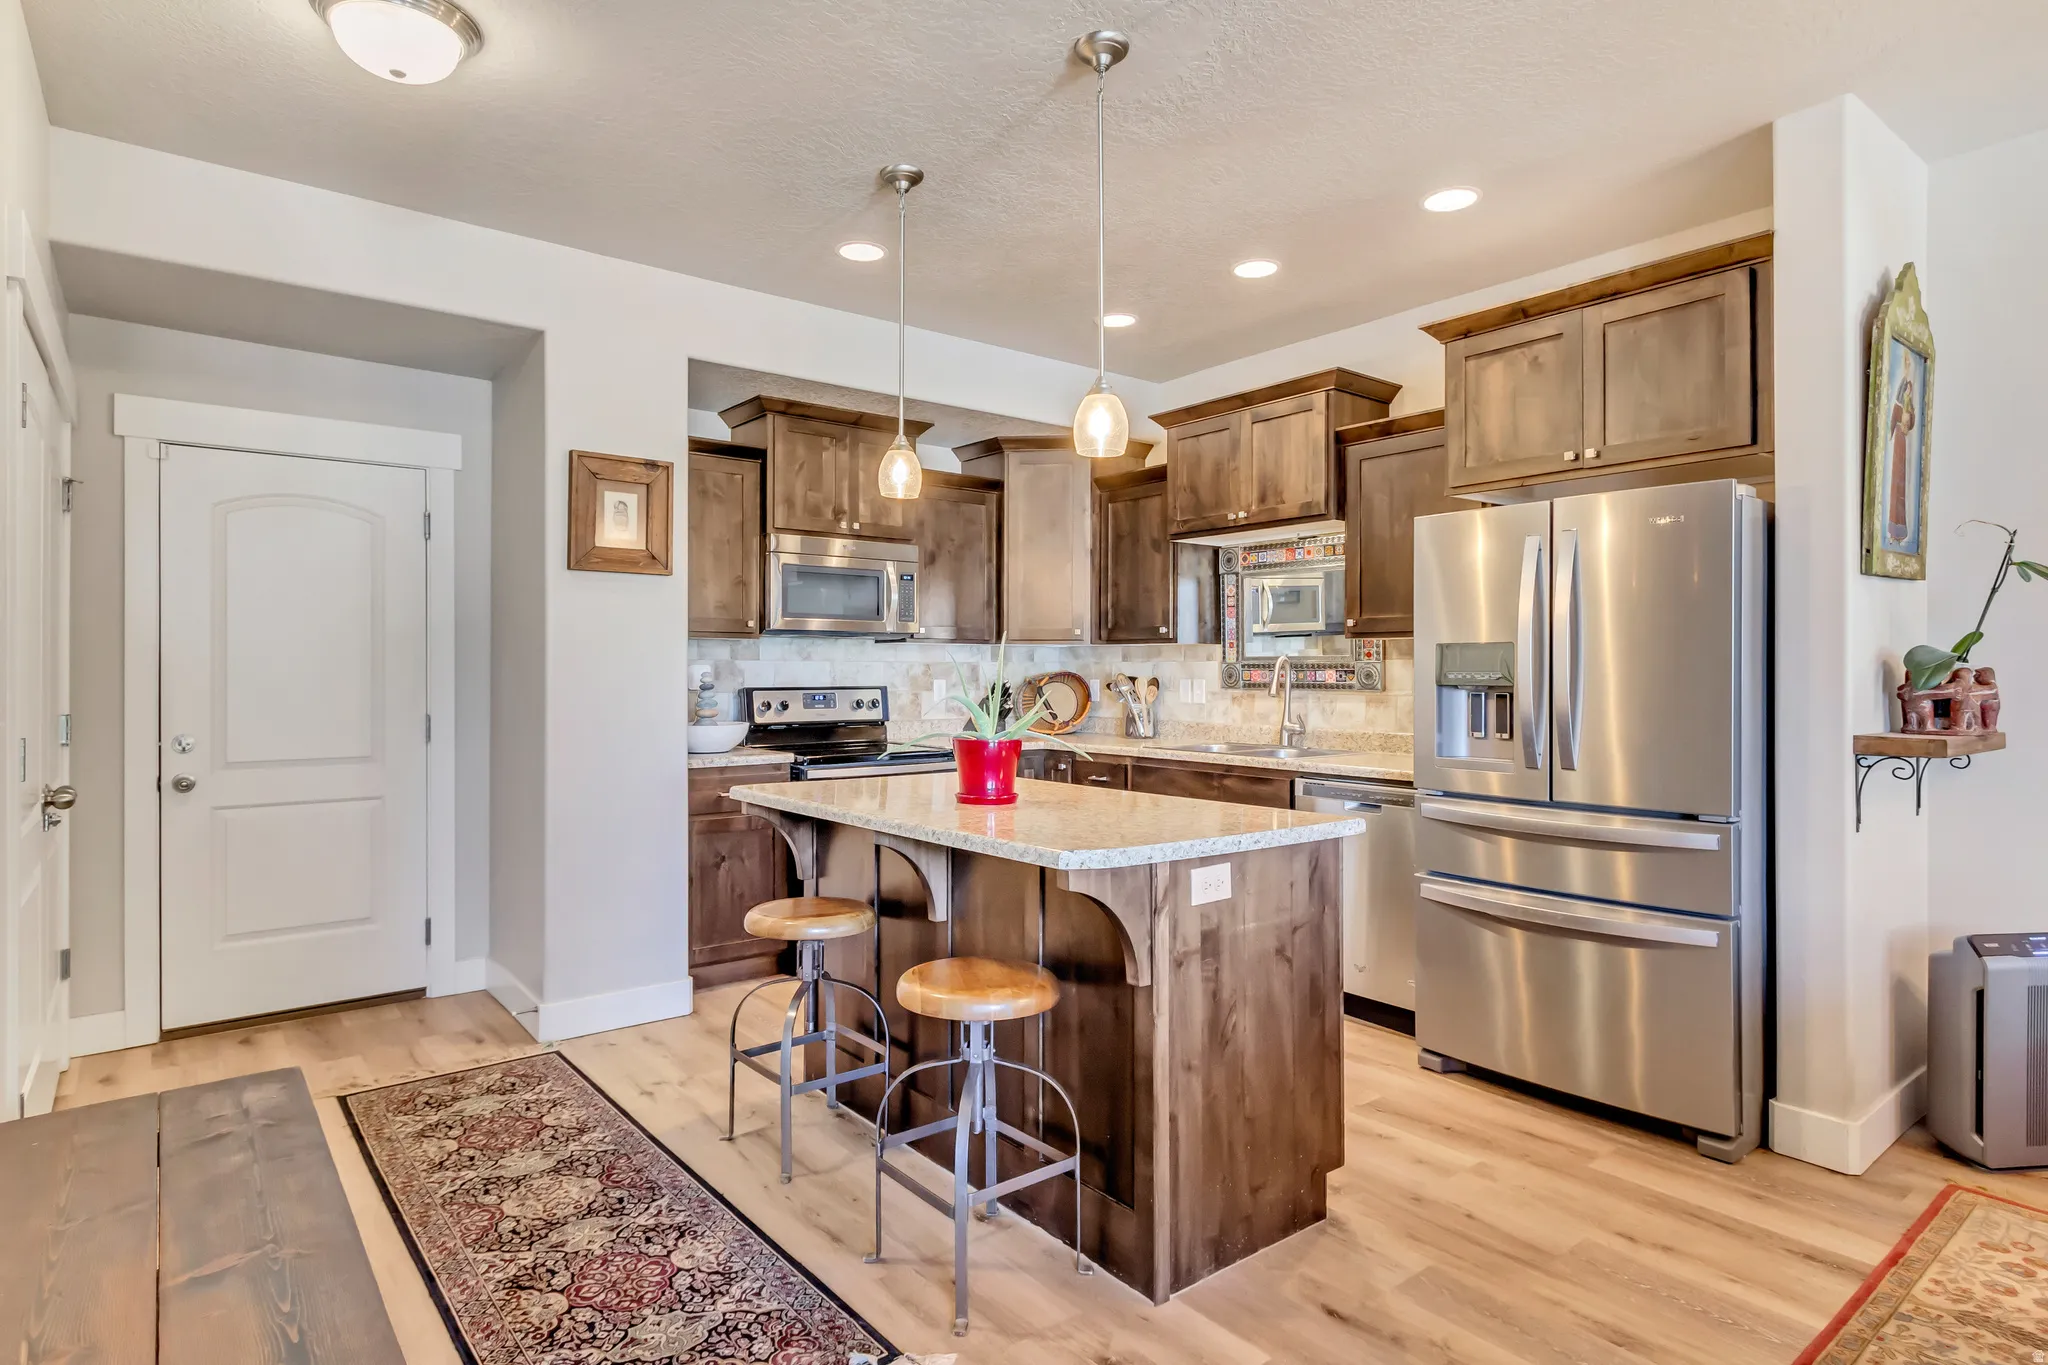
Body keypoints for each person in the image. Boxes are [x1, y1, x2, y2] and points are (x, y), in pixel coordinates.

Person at [1887, 369, 1917, 545]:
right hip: (1898, 443)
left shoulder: (1908, 407)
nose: (1908, 392)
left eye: (1910, 390)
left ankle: (1901, 530)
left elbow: (1910, 424)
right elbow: (1897, 419)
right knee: (1895, 486)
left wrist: (1909, 418)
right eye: (1907, 389)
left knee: (1901, 488)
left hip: (1903, 445)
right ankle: (1893, 529)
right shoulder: (1899, 406)